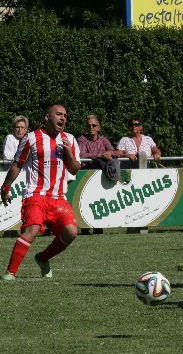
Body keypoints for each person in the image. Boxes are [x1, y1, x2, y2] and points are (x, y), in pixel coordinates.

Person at [0, 104, 82, 281]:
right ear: (47, 117)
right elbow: (17, 165)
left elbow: (75, 169)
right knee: (33, 229)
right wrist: (5, 188)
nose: (63, 118)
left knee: (71, 232)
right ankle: (10, 273)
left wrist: (68, 152)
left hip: (58, 197)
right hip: (35, 195)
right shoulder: (31, 138)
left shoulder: (70, 139)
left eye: (65, 115)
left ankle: (43, 258)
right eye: (58, 114)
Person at [77, 115, 120, 180]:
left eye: (93, 125)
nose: (91, 127)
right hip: (87, 173)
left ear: (98, 128)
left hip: (103, 173)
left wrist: (109, 152)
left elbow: (113, 151)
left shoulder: (103, 139)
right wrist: (100, 155)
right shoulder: (82, 140)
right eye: (89, 126)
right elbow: (82, 154)